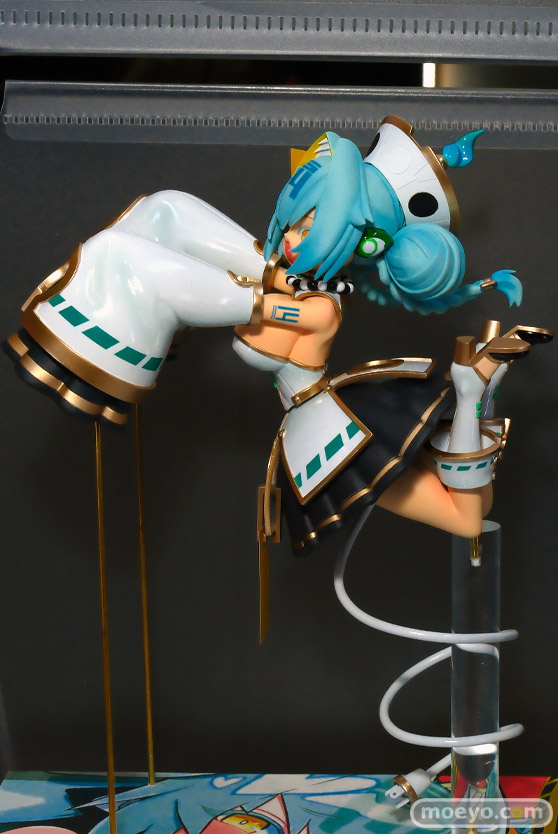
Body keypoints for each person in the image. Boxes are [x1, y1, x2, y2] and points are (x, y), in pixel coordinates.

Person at [5, 118, 548, 560]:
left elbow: (246, 317)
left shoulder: (318, 307)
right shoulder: (301, 285)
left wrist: (189, 280)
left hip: (330, 428)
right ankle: (473, 390)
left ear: (352, 242)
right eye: (293, 223)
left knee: (464, 518)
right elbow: (242, 287)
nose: (290, 239)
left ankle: (471, 389)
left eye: (310, 230)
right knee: (164, 206)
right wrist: (190, 244)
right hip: (325, 413)